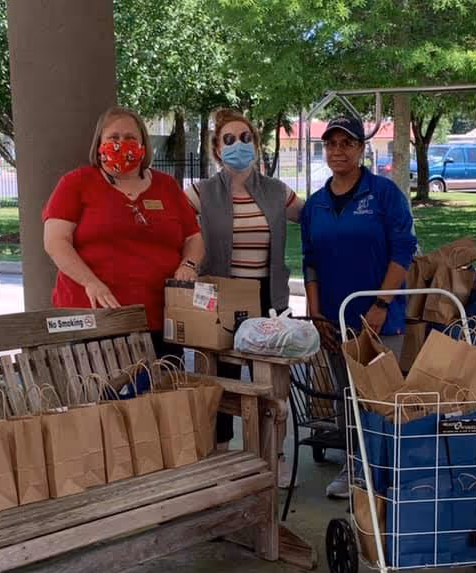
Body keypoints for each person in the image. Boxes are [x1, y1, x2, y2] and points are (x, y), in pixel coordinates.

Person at [301, 115, 417, 498]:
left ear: (361, 148)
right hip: (334, 319)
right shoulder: (315, 205)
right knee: (346, 397)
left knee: (381, 396)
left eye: (347, 143)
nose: (338, 151)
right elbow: (310, 261)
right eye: (331, 144)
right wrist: (316, 313)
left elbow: (403, 252)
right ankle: (354, 466)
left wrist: (382, 304)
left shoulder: (384, 195)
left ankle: (388, 472)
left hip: (378, 320)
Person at [42, 105, 203, 358]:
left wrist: (189, 264)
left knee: (162, 395)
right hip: (94, 317)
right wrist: (91, 283)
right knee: (102, 394)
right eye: (113, 138)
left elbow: (193, 236)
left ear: (143, 145)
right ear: (99, 143)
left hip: (160, 318)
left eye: (130, 138)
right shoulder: (76, 183)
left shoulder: (167, 186)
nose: (121, 144)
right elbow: (55, 242)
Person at [185, 109, 303, 450]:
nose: (239, 145)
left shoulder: (276, 191)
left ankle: (273, 453)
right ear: (217, 150)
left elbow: (314, 216)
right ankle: (221, 451)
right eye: (230, 140)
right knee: (222, 381)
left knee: (271, 383)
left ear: (256, 144)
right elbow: (173, 224)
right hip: (223, 297)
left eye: (246, 138)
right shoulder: (201, 192)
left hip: (269, 299)